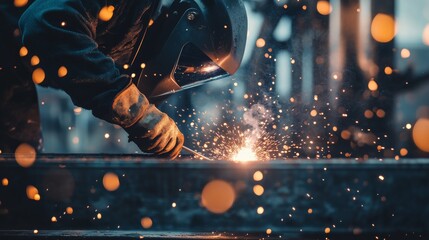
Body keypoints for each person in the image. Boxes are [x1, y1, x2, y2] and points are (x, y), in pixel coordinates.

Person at [0, 0, 247, 158]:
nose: (186, 72)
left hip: (11, 71)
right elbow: (46, 25)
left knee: (23, 170)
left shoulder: (134, 21)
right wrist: (134, 110)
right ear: (188, 24)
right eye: (190, 64)